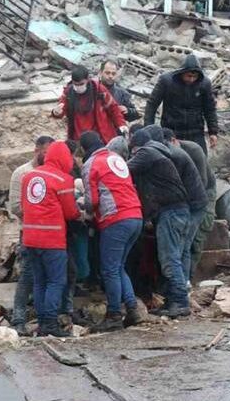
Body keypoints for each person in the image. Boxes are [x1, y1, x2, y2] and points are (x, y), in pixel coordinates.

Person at [79, 131, 144, 332]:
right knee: (119, 267)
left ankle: (114, 314)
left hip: (115, 219)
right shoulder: (116, 158)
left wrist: (84, 208)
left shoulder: (91, 163)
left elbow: (92, 200)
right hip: (135, 215)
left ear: (82, 148)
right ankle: (132, 309)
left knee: (109, 269)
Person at [127, 130, 190, 318]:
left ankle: (180, 301)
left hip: (170, 212)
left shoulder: (147, 152)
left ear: (136, 147)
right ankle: (172, 300)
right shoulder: (159, 153)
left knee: (170, 259)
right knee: (172, 257)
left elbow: (121, 170)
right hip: (176, 211)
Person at [21, 141, 81, 337]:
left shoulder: (29, 177)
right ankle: (50, 324)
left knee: (39, 282)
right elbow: (71, 212)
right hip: (52, 238)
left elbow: (23, 206)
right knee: (56, 281)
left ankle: (42, 324)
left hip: (30, 237)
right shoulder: (63, 179)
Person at [143, 125, 206, 285]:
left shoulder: (174, 155)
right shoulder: (168, 153)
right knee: (181, 246)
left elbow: (198, 182)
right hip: (186, 203)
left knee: (181, 246)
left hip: (193, 204)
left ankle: (181, 286)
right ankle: (183, 284)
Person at [7, 136, 54, 335]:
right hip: (30, 232)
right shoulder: (22, 173)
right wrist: (40, 213)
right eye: (45, 152)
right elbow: (16, 207)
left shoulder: (53, 172)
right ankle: (18, 319)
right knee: (27, 275)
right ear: (36, 150)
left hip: (52, 234)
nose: (48, 156)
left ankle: (51, 317)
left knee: (53, 276)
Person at [161, 127, 212, 281]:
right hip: (184, 199)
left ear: (174, 140)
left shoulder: (194, 150)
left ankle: (187, 278)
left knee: (192, 239)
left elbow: (203, 182)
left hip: (203, 194)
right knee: (182, 241)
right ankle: (184, 280)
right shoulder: (167, 153)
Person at [144, 54, 218, 155]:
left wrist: (213, 132)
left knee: (200, 160)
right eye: (189, 76)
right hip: (171, 131)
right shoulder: (166, 81)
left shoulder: (204, 83)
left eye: (195, 77)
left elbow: (210, 109)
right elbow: (152, 104)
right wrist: (149, 128)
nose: (191, 79)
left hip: (195, 132)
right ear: (182, 72)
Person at [52, 65, 127, 143]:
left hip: (100, 136)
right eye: (75, 84)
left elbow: (113, 108)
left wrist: (121, 124)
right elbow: (61, 109)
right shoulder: (69, 92)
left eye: (81, 84)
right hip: (78, 137)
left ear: (88, 79)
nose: (78, 87)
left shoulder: (99, 90)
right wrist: (56, 112)